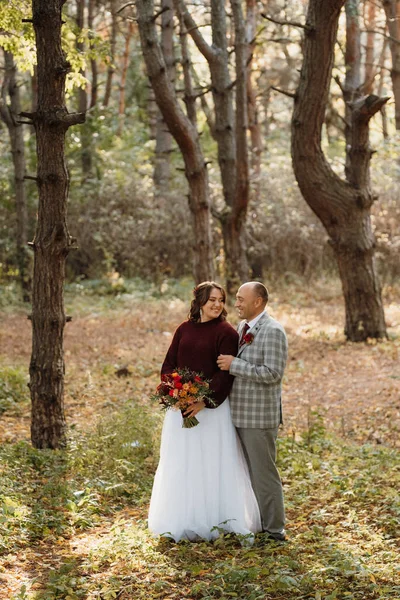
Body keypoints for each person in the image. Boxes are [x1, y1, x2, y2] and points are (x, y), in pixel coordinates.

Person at [148, 281, 261, 542]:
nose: (217, 304)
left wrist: (203, 401)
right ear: (199, 301)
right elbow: (169, 365)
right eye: (212, 299)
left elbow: (226, 375)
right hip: (181, 411)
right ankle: (184, 519)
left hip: (212, 411)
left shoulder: (226, 333)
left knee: (211, 463)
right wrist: (176, 394)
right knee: (183, 462)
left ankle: (215, 520)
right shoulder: (183, 329)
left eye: (221, 300)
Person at [217, 282, 288, 542]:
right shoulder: (242, 328)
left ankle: (274, 530)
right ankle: (256, 522)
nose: (235, 303)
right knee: (247, 473)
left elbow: (272, 373)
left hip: (259, 418)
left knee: (263, 473)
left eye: (240, 298)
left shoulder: (273, 331)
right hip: (238, 414)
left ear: (257, 301)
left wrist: (235, 365)